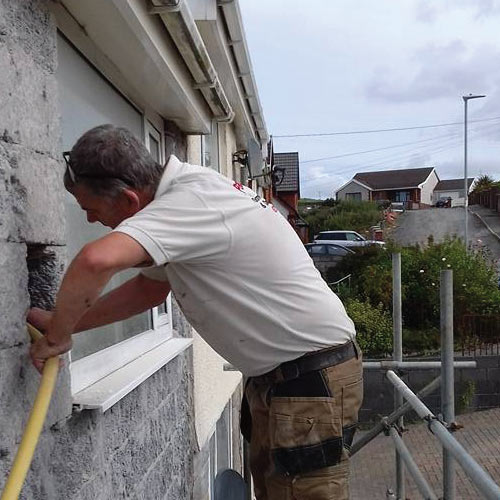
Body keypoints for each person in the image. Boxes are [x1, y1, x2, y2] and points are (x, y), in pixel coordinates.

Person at [29, 124, 363, 500]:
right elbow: (149, 289)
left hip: (308, 380)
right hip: (288, 378)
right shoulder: (182, 200)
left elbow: (94, 261)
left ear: (128, 200)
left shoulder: (190, 202)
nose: (91, 221)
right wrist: (66, 322)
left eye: (91, 209)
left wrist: (56, 338)